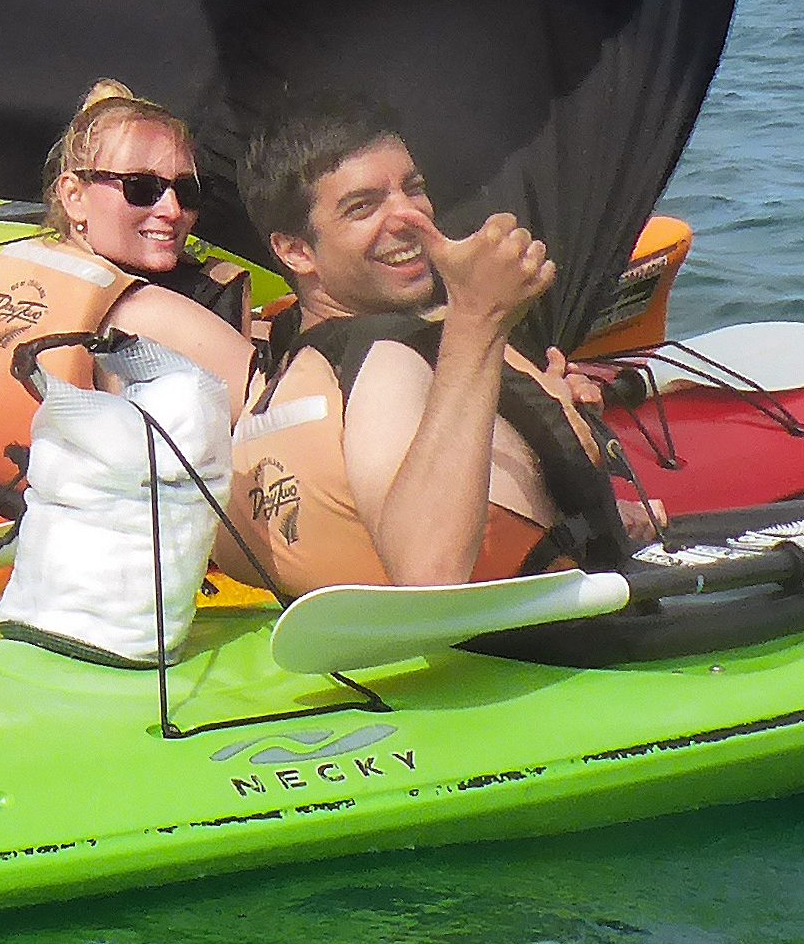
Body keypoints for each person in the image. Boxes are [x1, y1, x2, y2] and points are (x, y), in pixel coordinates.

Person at [222, 94, 649, 592]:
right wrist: (478, 317)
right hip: (538, 635)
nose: (411, 217)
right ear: (296, 251)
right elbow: (430, 573)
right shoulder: (384, 362)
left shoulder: (284, 377)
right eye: (363, 207)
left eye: (413, 189)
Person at [0, 82, 264, 502]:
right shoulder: (152, 315)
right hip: (94, 527)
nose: (172, 210)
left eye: (187, 191)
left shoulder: (5, 269)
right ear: (73, 197)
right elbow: (283, 429)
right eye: (141, 188)